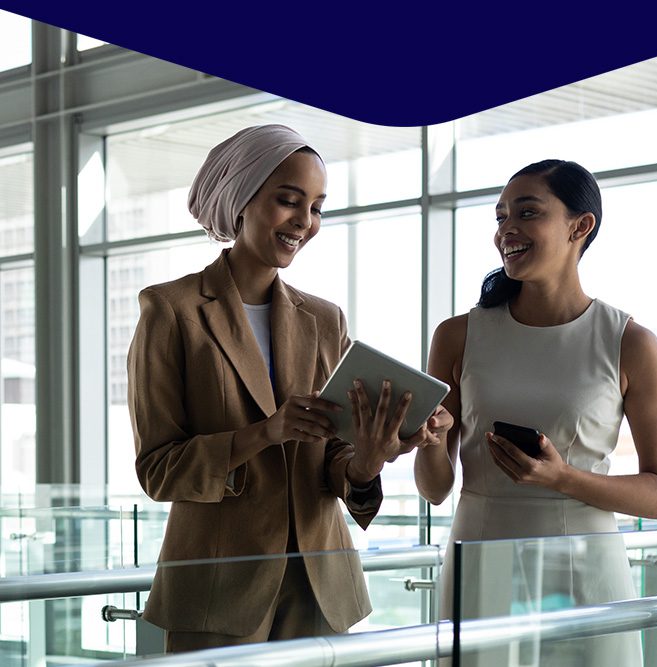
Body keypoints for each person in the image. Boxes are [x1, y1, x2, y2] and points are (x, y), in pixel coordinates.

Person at [127, 124, 443, 652]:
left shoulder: (323, 318)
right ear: (241, 199)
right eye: (289, 201)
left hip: (322, 587)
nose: (305, 221)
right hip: (217, 590)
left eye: (317, 207)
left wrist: (369, 457)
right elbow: (158, 470)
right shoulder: (170, 311)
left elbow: (336, 461)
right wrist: (264, 433)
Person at [415, 159, 657, 665]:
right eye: (499, 217)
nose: (506, 229)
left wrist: (562, 478)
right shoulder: (456, 336)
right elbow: (434, 488)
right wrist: (429, 442)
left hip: (587, 572)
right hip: (479, 563)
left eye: (527, 212)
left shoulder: (629, 342)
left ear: (580, 227)